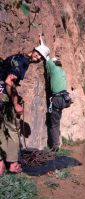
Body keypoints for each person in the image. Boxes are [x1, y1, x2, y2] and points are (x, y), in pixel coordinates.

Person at [0, 43, 50, 175]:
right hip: (3, 97)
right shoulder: (22, 62)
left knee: (0, 130)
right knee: (13, 130)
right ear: (33, 50)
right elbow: (9, 81)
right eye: (38, 54)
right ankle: (13, 164)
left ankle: (0, 164)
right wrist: (16, 103)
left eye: (41, 58)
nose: (38, 58)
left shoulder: (17, 57)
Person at [38, 36, 71, 152]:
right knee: (57, 120)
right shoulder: (61, 70)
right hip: (64, 100)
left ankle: (55, 146)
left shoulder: (53, 68)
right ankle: (57, 143)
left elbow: (45, 55)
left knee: (53, 124)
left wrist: (41, 41)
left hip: (57, 100)